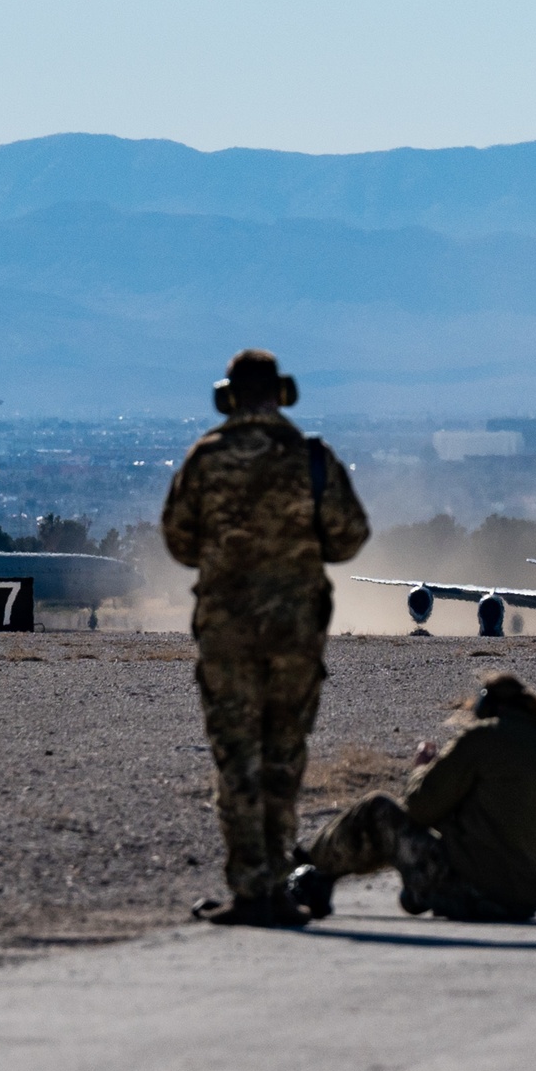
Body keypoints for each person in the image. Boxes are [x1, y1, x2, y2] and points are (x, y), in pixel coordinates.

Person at [162, 349, 370, 927]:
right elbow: (349, 538)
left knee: (239, 763)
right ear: (283, 393)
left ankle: (253, 891)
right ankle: (277, 887)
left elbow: (179, 542)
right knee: (283, 758)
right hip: (295, 635)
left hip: (228, 637)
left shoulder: (206, 458)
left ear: (226, 396)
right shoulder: (310, 459)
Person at [290, 674, 536, 923]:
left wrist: (421, 770)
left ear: (487, 705)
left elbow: (418, 808)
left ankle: (300, 868)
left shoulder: (482, 738)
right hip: (526, 904)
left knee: (377, 809)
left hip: (472, 892)